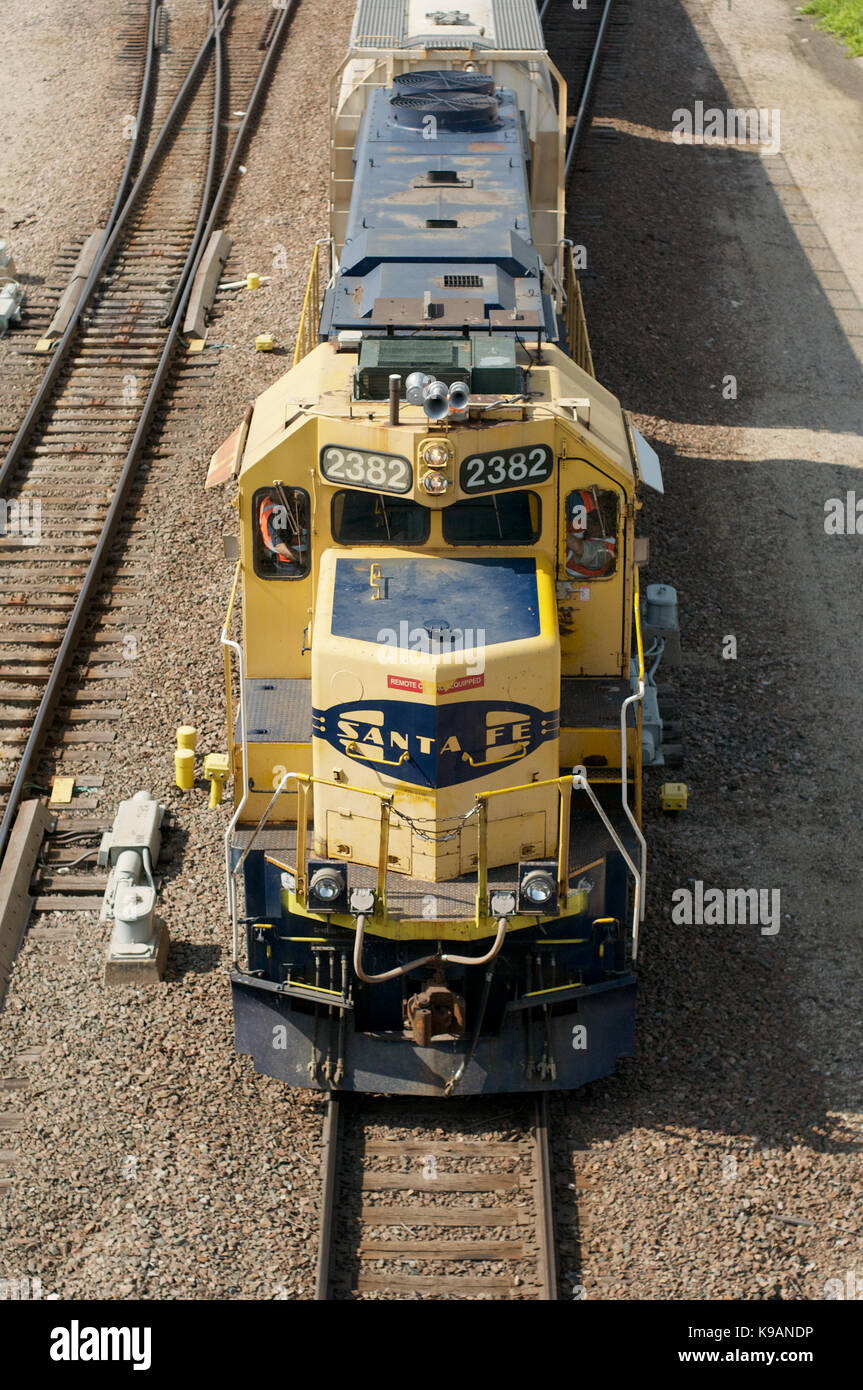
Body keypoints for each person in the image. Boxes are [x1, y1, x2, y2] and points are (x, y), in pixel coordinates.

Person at [565, 488, 615, 579]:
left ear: (605, 525)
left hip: (572, 582)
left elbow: (577, 547)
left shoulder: (606, 551)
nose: (588, 525)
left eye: (593, 521)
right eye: (588, 520)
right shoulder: (592, 535)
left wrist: (558, 530)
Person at [258, 490, 308, 570]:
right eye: (290, 491)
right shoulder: (277, 513)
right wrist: (304, 560)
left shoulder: (270, 501)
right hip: (290, 563)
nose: (293, 495)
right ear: (278, 491)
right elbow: (280, 546)